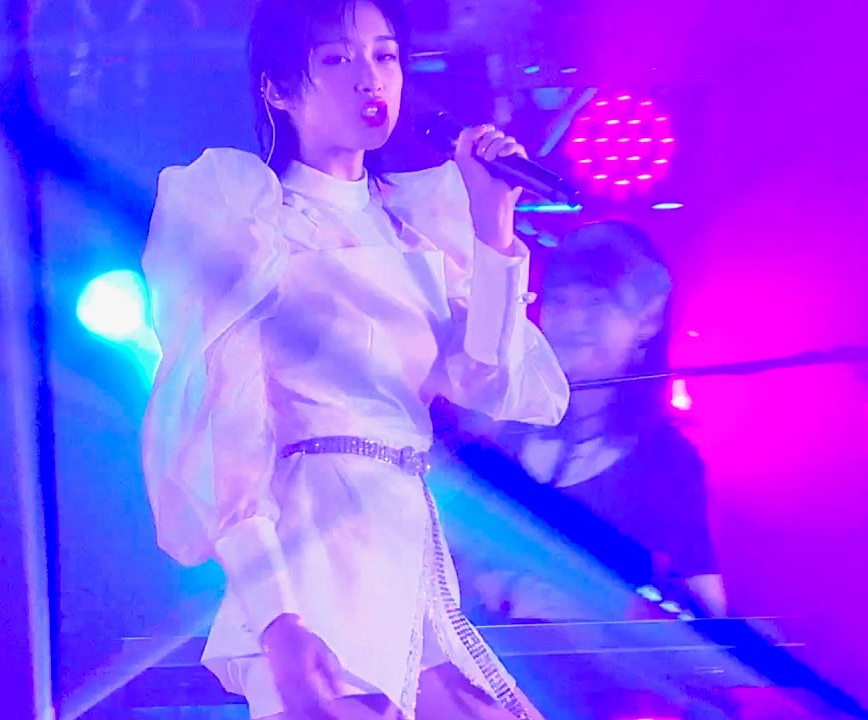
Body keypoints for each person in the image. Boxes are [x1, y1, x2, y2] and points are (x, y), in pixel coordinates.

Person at [139, 0, 569, 718]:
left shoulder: (413, 224)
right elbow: (227, 436)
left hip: (406, 543)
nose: (369, 77)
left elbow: (492, 380)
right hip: (316, 552)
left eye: (384, 55)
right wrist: (276, 619)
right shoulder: (254, 224)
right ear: (278, 88)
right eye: (336, 58)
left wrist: (494, 230)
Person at [440, 220, 726, 624]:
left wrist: (594, 612)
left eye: (595, 303)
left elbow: (706, 616)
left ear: (647, 322)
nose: (572, 322)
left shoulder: (667, 462)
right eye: (559, 302)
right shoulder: (491, 431)